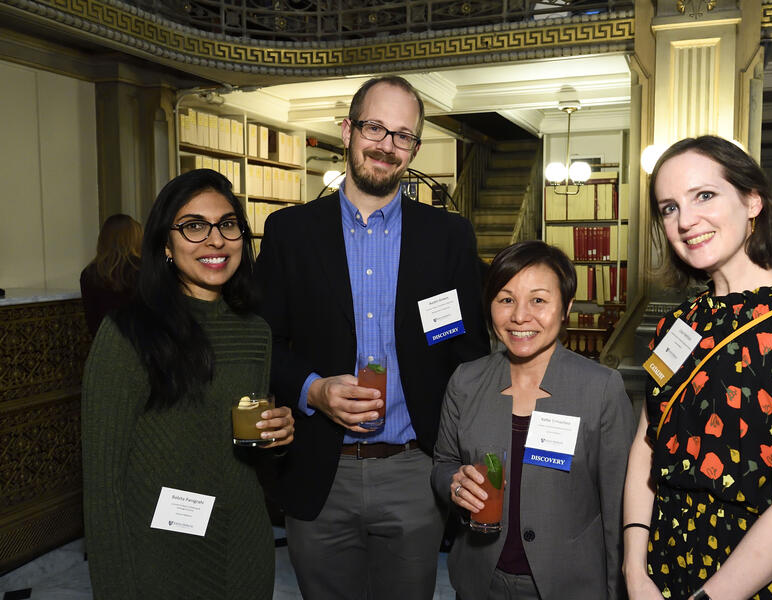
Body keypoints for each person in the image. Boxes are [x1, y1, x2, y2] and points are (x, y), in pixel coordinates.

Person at [255, 75, 490, 599]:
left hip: (414, 473)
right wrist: (314, 389)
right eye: (374, 127)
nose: (386, 145)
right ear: (347, 130)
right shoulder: (289, 232)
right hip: (320, 470)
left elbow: (467, 356)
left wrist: (461, 457)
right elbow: (262, 343)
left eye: (402, 135)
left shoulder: (448, 236)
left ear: (414, 149)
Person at [622, 136, 772, 600]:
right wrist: (633, 569)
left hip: (754, 578)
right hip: (662, 569)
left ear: (752, 201)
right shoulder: (676, 325)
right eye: (669, 208)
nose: (686, 221)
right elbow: (647, 448)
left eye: (704, 195)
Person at [81, 169, 295, 599]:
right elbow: (103, 484)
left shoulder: (254, 332)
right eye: (194, 226)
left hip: (246, 545)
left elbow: (241, 446)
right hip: (161, 556)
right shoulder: (127, 334)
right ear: (164, 243)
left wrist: (280, 436)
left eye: (228, 224)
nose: (215, 240)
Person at [432, 240, 633, 600]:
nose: (520, 316)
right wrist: (455, 483)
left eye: (538, 300)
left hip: (569, 586)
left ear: (566, 307)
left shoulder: (600, 389)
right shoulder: (466, 380)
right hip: (480, 581)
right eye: (506, 299)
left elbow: (618, 507)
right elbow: (444, 463)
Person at [80, 213, 142, 336]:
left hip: (105, 344)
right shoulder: (142, 268)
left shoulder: (89, 273)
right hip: (141, 345)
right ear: (134, 239)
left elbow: (92, 319)